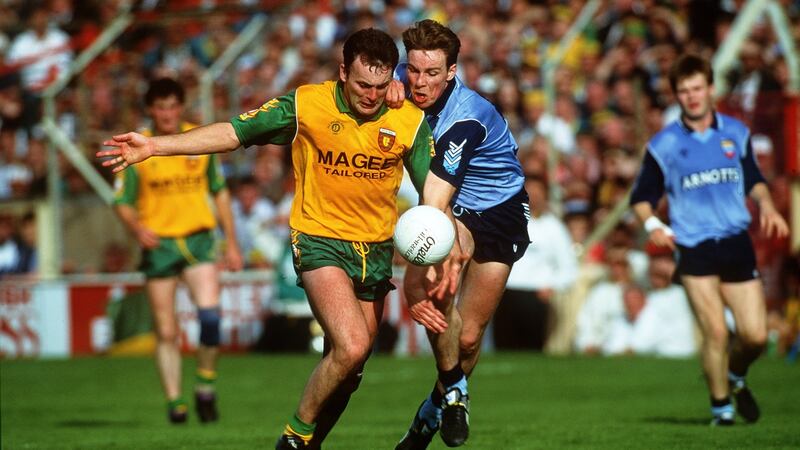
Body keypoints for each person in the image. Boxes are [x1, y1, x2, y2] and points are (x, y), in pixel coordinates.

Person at [99, 29, 441, 449]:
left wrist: (451, 244)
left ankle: (309, 444)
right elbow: (233, 133)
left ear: (392, 78)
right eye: (360, 85)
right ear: (341, 73)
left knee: (350, 370)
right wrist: (154, 146)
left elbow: (434, 194)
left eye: (378, 85)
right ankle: (293, 438)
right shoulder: (306, 104)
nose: (370, 96)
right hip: (319, 240)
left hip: (375, 251)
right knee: (351, 346)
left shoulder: (407, 118)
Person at [387, 20, 530, 449]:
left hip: (500, 211)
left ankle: (431, 410)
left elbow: (433, 202)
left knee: (468, 337)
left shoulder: (466, 118)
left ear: (452, 72)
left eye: (432, 74)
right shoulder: (401, 79)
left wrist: (423, 270)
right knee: (432, 291)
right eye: (412, 71)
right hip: (456, 207)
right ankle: (456, 392)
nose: (419, 82)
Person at [629, 54, 789, 426]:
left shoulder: (736, 133)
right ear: (676, 96)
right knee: (715, 331)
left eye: (698, 88)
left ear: (711, 89)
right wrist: (653, 223)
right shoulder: (664, 145)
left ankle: (735, 375)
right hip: (695, 247)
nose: (692, 96)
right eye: (683, 91)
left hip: (735, 241)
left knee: (754, 336)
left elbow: (754, 181)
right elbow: (640, 198)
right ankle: (721, 409)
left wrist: (767, 205)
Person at [109, 77, 243, 424]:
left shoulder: (195, 140)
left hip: (198, 239)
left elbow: (220, 191)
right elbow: (121, 200)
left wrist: (232, 241)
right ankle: (174, 401)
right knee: (167, 331)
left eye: (172, 106)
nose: (167, 113)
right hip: (161, 244)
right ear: (151, 110)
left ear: (180, 107)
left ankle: (205, 384)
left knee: (210, 318)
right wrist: (137, 227)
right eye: (160, 107)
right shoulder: (139, 146)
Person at [493, 175, 577, 351]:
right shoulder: (506, 222)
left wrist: (552, 286)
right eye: (529, 191)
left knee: (531, 349)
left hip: (535, 296)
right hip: (505, 294)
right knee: (503, 347)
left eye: (538, 192)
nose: (534, 196)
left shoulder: (553, 227)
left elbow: (568, 267)